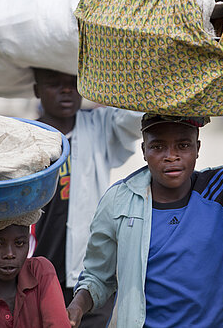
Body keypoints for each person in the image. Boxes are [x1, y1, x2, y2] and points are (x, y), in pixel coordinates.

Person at [66, 23, 223, 327]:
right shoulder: (120, 202)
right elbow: (98, 276)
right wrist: (78, 306)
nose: (171, 155)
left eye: (182, 145)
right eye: (158, 146)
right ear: (143, 150)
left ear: (197, 149)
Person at [30, 68, 142, 327]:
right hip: (41, 272)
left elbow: (136, 115)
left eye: (73, 83)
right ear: (37, 90)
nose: (66, 90)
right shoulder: (28, 136)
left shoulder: (100, 125)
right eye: (54, 84)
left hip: (92, 275)